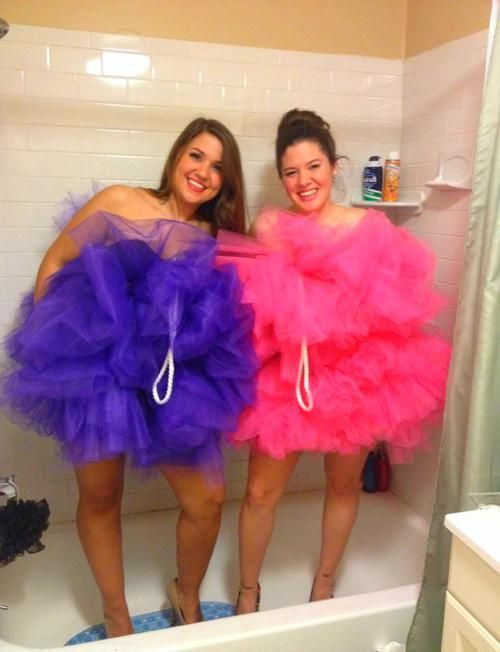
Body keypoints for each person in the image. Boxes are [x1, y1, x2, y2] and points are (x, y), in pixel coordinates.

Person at [0, 118, 257, 636]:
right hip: (102, 377)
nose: (203, 172)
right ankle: (117, 616)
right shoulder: (120, 200)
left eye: (218, 167)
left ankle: (186, 594)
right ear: (177, 155)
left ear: (226, 182)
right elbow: (58, 259)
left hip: (169, 380)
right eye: (196, 155)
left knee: (206, 500)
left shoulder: (214, 236)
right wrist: (54, 345)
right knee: (100, 497)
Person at [231, 109, 451, 614]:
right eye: (291, 172)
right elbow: (253, 304)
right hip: (288, 378)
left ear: (334, 166)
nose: (303, 181)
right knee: (261, 493)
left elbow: (393, 307)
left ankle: (324, 587)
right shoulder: (270, 225)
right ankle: (247, 593)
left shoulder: (368, 227)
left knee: (344, 483)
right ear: (281, 177)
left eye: (313, 167)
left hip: (354, 379)